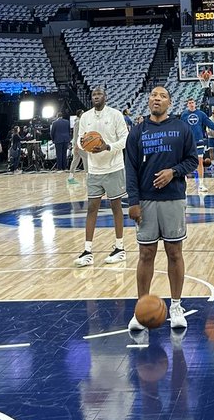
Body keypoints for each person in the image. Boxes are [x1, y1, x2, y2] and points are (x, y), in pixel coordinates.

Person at [125, 86, 198, 335]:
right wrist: (132, 202)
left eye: (162, 96)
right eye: (154, 95)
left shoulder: (182, 128)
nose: (157, 98)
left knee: (174, 252)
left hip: (173, 198)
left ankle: (176, 306)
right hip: (145, 200)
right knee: (146, 254)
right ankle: (140, 308)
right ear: (148, 101)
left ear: (169, 102)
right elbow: (131, 169)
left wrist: (173, 172)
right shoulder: (137, 132)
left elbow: (192, 160)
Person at [73, 87, 130, 266]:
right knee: (92, 208)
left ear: (105, 97)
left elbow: (125, 138)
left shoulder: (115, 115)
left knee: (116, 206)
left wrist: (107, 147)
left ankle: (120, 248)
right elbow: (79, 141)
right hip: (95, 169)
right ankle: (87, 251)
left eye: (99, 94)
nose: (96, 97)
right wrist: (85, 146)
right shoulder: (86, 117)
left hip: (114, 167)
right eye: (94, 95)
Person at [183, 98, 214, 181]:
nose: (191, 104)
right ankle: (185, 183)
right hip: (188, 141)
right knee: (186, 162)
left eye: (192, 102)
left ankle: (201, 183)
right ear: (187, 105)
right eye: (189, 103)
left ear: (195, 104)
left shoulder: (201, 114)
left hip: (199, 141)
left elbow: (211, 124)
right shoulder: (184, 115)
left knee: (200, 162)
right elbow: (181, 128)